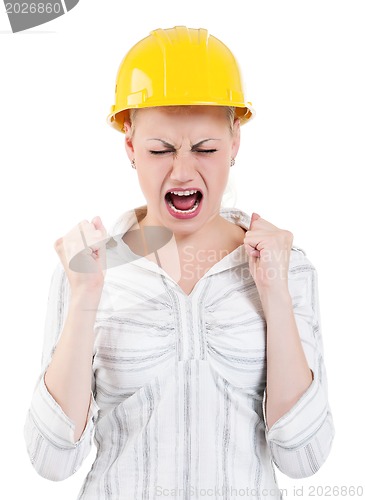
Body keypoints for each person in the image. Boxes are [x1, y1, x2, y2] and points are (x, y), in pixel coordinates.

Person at [24, 26, 334, 499]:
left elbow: (304, 456)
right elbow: (51, 460)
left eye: (206, 149)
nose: (184, 171)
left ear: (235, 142)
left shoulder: (287, 268)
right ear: (130, 147)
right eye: (160, 150)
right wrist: (85, 295)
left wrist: (274, 293)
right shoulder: (87, 267)